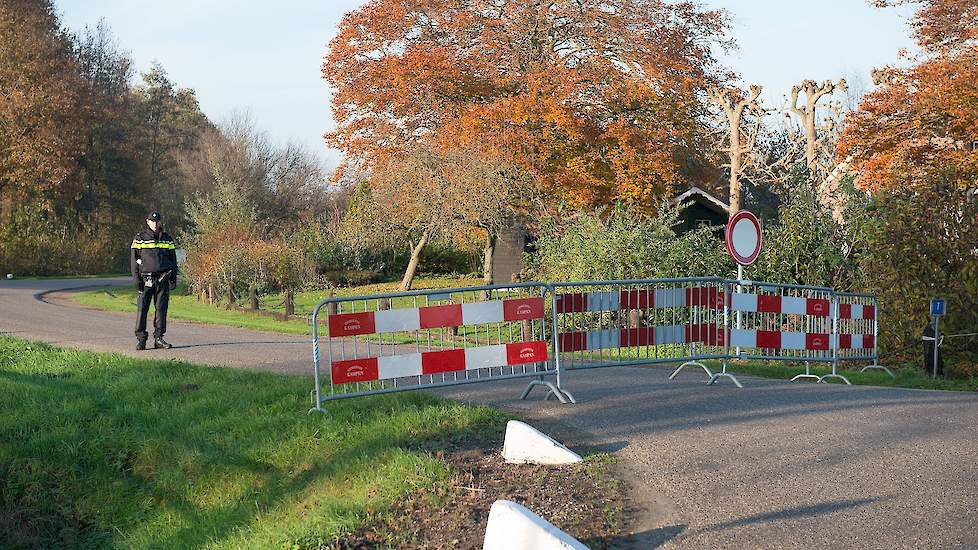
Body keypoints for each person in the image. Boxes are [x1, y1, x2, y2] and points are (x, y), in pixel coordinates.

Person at [130, 211, 178, 350]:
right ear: (147, 222)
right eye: (152, 221)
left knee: (161, 310)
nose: (155, 224)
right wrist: (136, 279)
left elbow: (173, 259)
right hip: (145, 280)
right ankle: (141, 340)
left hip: (163, 280)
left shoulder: (167, 239)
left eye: (157, 221)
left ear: (160, 222)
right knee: (142, 310)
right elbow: (134, 261)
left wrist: (174, 277)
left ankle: (159, 338)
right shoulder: (140, 238)